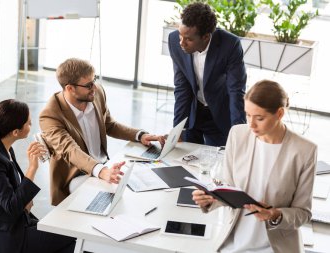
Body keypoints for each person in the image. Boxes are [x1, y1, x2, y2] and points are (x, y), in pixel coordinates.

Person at [192, 80, 317, 252]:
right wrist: (209, 199)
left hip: (274, 247)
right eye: (248, 115)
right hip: (232, 243)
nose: (251, 124)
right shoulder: (238, 134)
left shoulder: (305, 150)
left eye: (259, 118)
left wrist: (275, 215)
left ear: (280, 113)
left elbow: (303, 213)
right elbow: (226, 185)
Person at [39, 58, 165, 206]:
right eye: (89, 85)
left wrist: (140, 135)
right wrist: (101, 171)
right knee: (119, 195)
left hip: (103, 164)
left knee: (140, 183)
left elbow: (109, 125)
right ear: (70, 89)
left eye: (94, 80)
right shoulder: (50, 115)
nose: (95, 87)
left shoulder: (96, 94)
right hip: (76, 175)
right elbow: (70, 150)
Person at [0, 99, 76, 253]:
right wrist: (33, 167)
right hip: (5, 238)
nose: (31, 125)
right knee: (72, 238)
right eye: (28, 123)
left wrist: (25, 204)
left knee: (69, 237)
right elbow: (12, 206)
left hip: (18, 223)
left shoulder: (2, 147)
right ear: (15, 132)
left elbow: (12, 198)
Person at [168, 2, 247, 146]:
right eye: (180, 35)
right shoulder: (174, 41)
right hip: (192, 113)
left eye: (188, 39)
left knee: (219, 162)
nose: (181, 43)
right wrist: (177, 130)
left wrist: (239, 134)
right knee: (186, 161)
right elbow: (181, 87)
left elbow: (236, 91)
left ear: (205, 37)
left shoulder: (230, 45)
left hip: (219, 113)